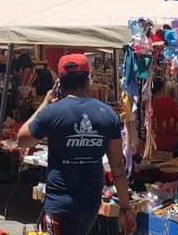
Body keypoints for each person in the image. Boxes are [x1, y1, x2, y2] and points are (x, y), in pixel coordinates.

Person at [17, 54, 136, 235]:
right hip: (90, 202)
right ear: (87, 79)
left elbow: (22, 139)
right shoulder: (107, 113)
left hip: (60, 203)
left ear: (59, 82)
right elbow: (118, 166)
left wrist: (44, 103)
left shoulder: (52, 112)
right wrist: (126, 209)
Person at [151, 77, 178, 152]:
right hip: (171, 144)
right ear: (162, 88)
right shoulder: (169, 102)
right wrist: (175, 129)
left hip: (152, 144)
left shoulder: (149, 104)